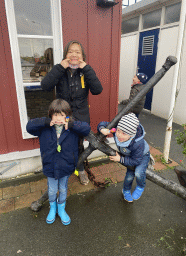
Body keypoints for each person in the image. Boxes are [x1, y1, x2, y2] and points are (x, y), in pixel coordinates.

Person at [41, 40, 103, 185]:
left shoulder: (85, 71)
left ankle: (81, 170)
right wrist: (59, 67)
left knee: (79, 145)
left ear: (82, 56)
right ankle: (65, 170)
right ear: (65, 54)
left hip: (81, 117)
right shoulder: (60, 70)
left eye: (77, 52)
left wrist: (86, 68)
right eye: (70, 51)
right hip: (62, 116)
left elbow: (97, 90)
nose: (74, 54)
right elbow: (45, 86)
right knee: (62, 144)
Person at [26, 99, 91, 225]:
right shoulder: (45, 127)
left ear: (66, 115)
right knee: (51, 190)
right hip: (50, 165)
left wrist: (71, 124)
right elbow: (29, 127)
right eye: (55, 115)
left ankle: (61, 210)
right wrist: (45, 121)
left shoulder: (72, 128)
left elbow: (86, 129)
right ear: (51, 115)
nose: (58, 118)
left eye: (62, 115)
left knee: (63, 189)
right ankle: (53, 209)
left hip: (66, 165)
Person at [98, 113, 150, 202]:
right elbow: (103, 123)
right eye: (118, 131)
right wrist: (102, 129)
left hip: (141, 156)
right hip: (130, 155)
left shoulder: (138, 143)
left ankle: (140, 186)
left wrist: (121, 159)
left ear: (131, 135)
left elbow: (136, 161)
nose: (119, 135)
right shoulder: (116, 130)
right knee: (129, 176)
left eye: (124, 133)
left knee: (138, 172)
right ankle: (126, 190)